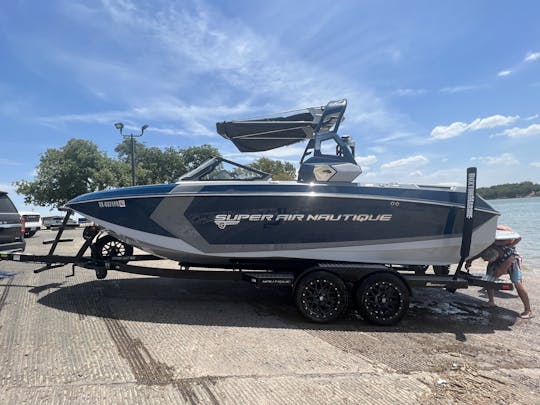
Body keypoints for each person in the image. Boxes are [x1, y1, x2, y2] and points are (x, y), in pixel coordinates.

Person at [466, 226, 533, 319]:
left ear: (494, 258)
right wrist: (470, 260)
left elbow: (499, 272)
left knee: (517, 283)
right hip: (497, 255)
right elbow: (481, 252)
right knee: (489, 278)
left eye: (487, 260)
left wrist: (497, 273)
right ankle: (491, 302)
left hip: (512, 260)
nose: (486, 262)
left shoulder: (508, 248)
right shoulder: (491, 244)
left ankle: (528, 310)